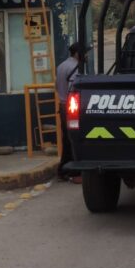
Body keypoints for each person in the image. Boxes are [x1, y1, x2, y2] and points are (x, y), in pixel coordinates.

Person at [56, 42, 85, 184]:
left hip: (62, 105)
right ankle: (74, 172)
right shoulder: (76, 68)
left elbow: (58, 86)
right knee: (74, 139)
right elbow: (74, 90)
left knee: (67, 139)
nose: (86, 56)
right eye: (84, 53)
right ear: (77, 54)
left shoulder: (61, 66)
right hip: (71, 107)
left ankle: (63, 170)